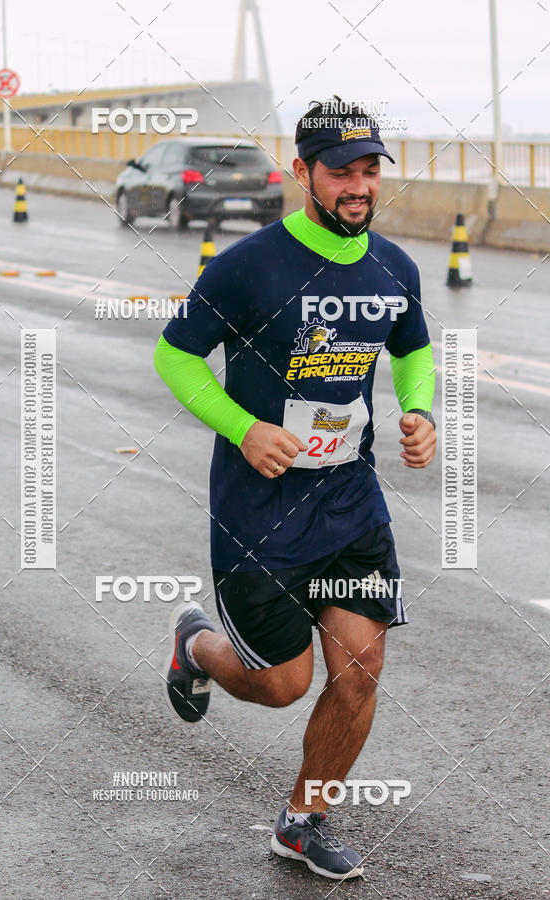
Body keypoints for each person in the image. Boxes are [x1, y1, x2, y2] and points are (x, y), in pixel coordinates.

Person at [154, 96, 436, 881]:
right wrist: (244, 426)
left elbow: (412, 348)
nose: (359, 185)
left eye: (370, 169)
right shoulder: (249, 266)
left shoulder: (394, 267)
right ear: (304, 172)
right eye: (341, 169)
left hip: (349, 505)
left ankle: (303, 822)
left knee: (360, 671)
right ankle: (197, 648)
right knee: (283, 684)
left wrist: (417, 410)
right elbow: (175, 357)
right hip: (259, 514)